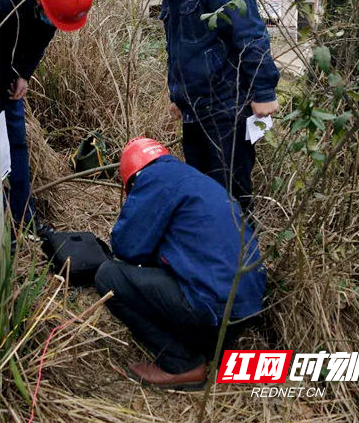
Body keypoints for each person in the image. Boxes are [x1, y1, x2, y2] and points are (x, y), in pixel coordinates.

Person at [115, 0, 279, 210]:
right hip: (194, 114)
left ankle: (242, 256)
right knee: (203, 200)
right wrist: (177, 94)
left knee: (232, 201)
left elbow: (250, 35)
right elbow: (179, 48)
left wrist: (264, 91)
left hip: (227, 112)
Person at [95, 136, 266, 391]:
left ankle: (182, 363)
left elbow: (126, 247)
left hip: (212, 308)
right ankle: (212, 348)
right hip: (245, 308)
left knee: (109, 276)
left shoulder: (152, 179)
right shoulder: (193, 178)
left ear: (132, 178)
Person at [0, 0, 93, 232]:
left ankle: (24, 217)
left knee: (17, 147)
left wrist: (24, 73)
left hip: (11, 75)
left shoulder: (58, 1)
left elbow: (42, 37)